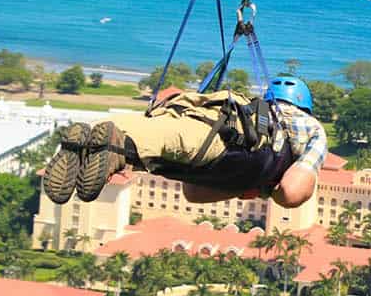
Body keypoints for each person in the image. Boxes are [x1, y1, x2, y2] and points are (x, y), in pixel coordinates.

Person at [42, 75, 328, 208]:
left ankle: (95, 141)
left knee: (157, 135)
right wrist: (261, 190)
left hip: (204, 122)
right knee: (165, 145)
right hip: (227, 146)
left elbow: (192, 193)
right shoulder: (310, 127)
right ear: (305, 105)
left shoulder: (254, 108)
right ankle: (116, 149)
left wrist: (243, 188)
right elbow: (292, 191)